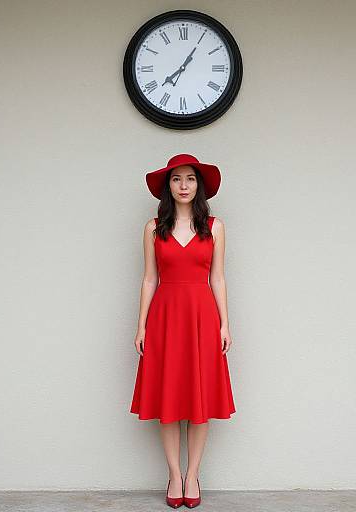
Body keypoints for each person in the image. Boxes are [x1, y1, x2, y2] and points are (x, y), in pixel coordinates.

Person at [130, 153, 236, 508]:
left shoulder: (215, 227)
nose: (184, 185)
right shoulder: (152, 228)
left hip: (202, 317)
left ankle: (193, 475)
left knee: (199, 397)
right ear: (168, 186)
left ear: (199, 185)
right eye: (177, 179)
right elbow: (148, 279)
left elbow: (218, 277)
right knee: (169, 398)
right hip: (165, 317)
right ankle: (174, 474)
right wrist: (141, 324)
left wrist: (225, 322)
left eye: (190, 179)